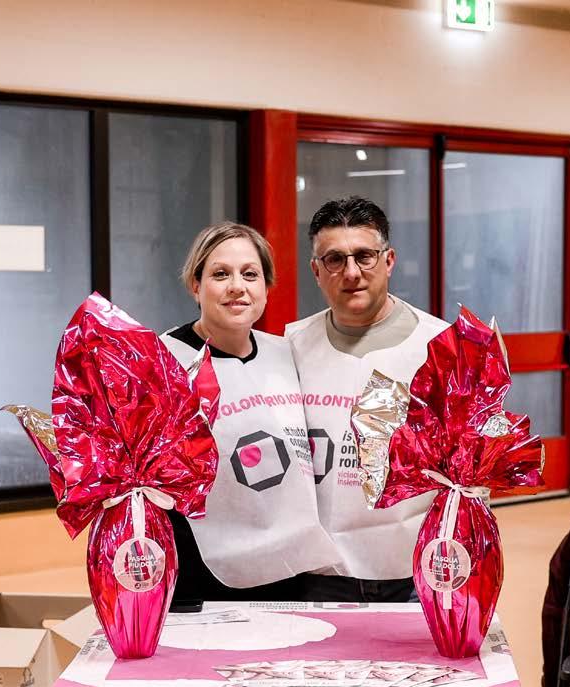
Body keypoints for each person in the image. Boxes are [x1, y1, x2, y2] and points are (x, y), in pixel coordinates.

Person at [159, 222, 341, 606]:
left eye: (250, 274)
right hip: (201, 574)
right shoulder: (165, 362)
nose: (237, 286)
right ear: (195, 285)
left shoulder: (285, 353)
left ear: (266, 287)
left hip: (289, 569)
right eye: (220, 274)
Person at [286, 196, 449, 602]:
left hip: (415, 569)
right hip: (321, 571)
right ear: (316, 271)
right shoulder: (290, 346)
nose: (351, 272)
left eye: (364, 256)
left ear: (389, 261)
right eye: (335, 260)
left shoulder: (439, 346)